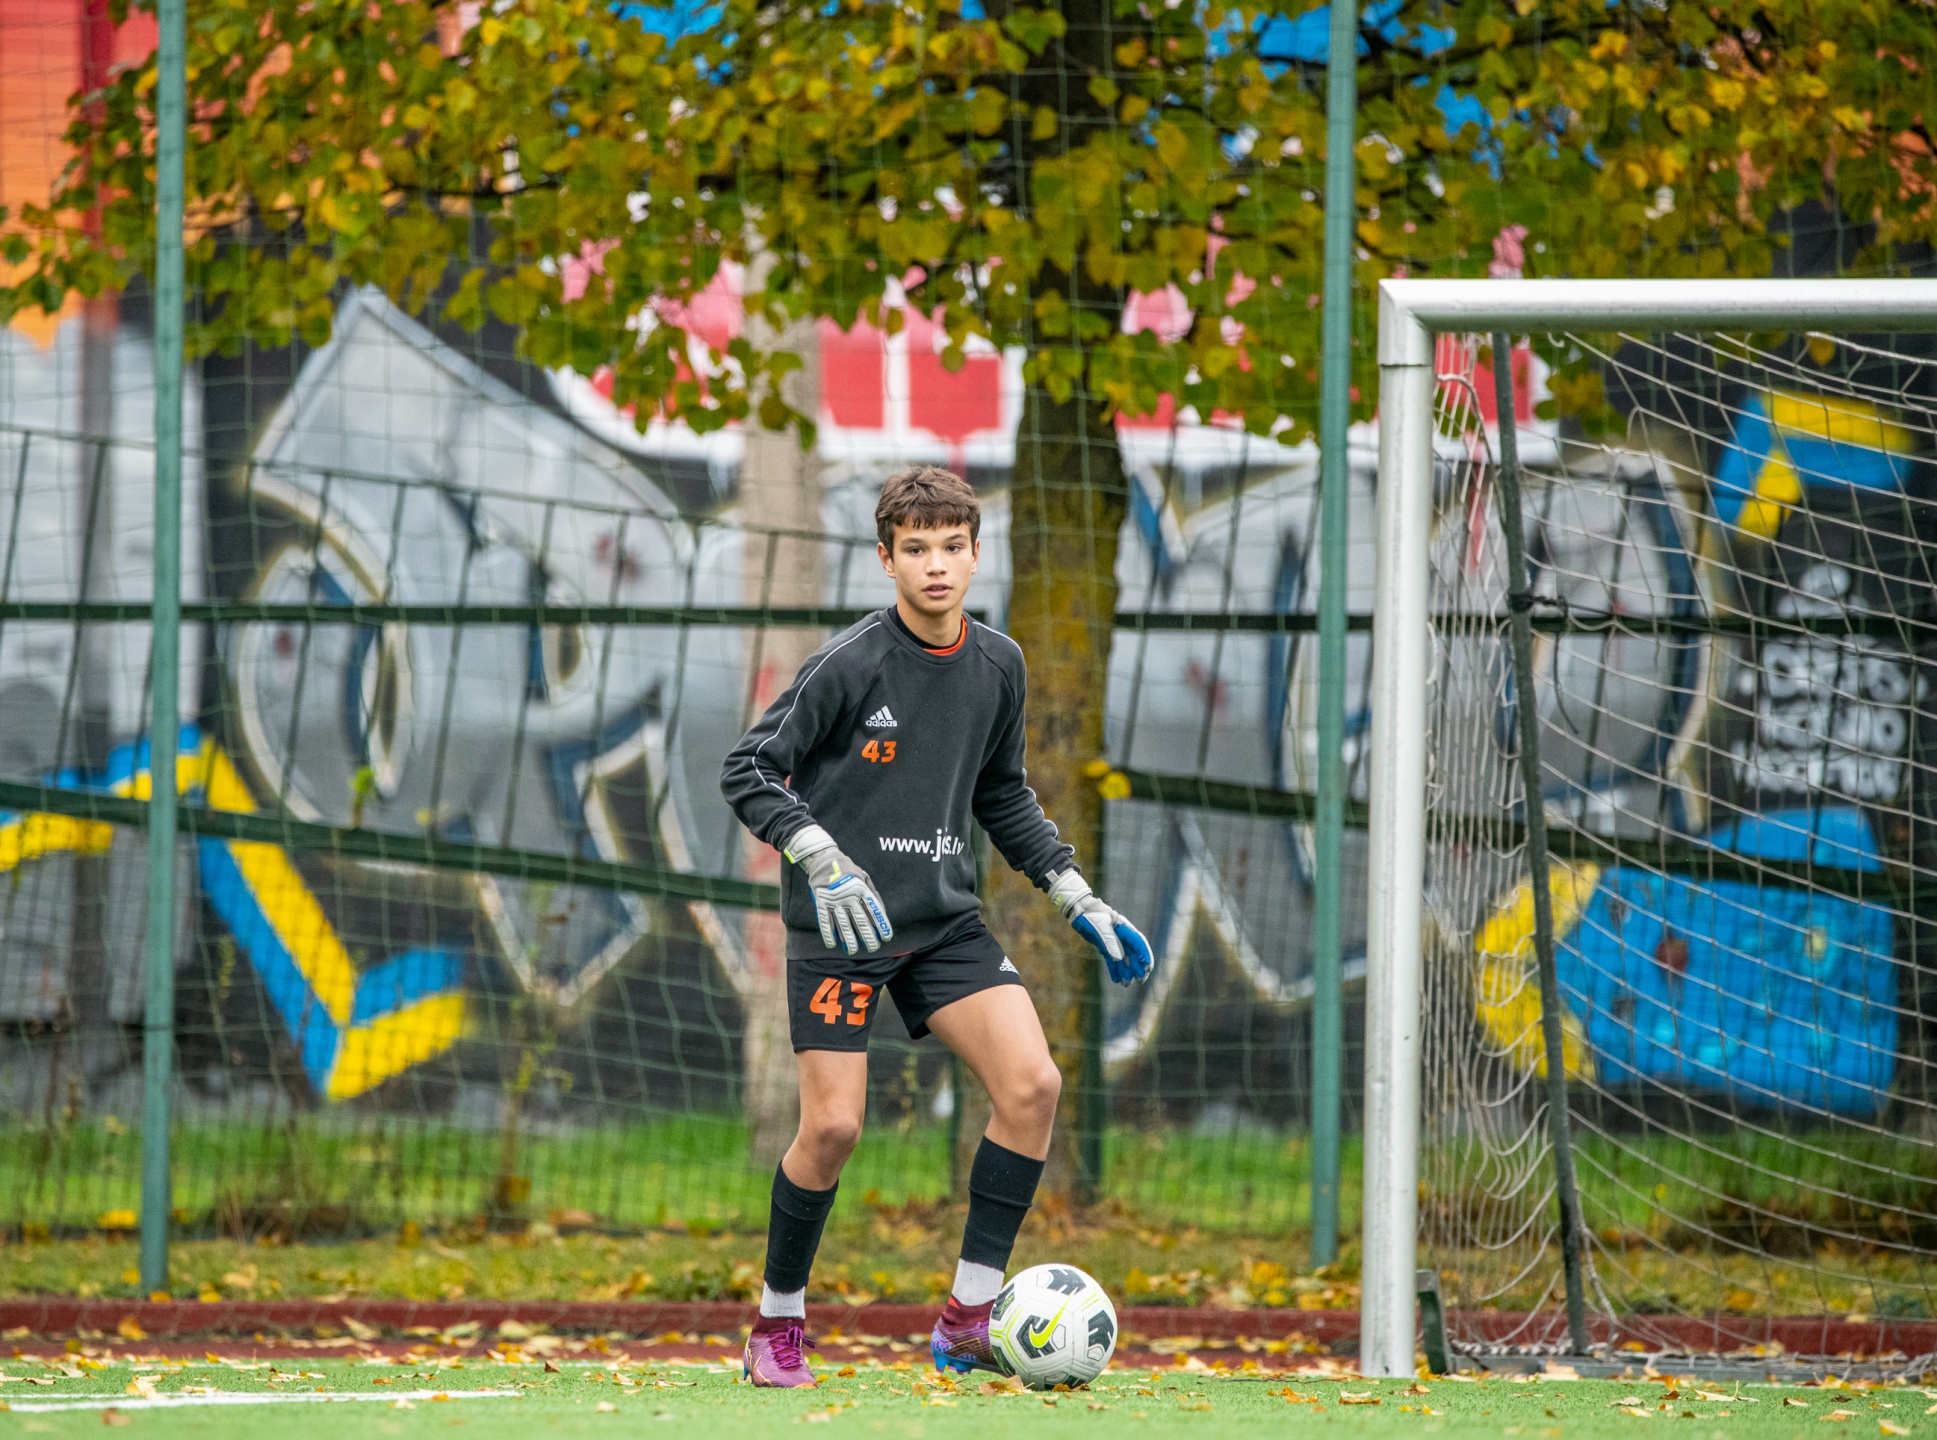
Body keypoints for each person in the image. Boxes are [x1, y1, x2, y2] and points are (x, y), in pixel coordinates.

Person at [720, 464, 1154, 1388]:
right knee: (832, 1129)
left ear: (974, 554)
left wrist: (1075, 894)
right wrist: (818, 854)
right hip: (842, 931)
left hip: (943, 926)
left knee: (1032, 1086)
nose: (935, 565)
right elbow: (749, 769)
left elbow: (1003, 793)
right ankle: (776, 1325)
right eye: (914, 549)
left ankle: (965, 1320)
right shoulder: (850, 663)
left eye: (951, 547)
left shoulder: (999, 664)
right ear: (886, 560)